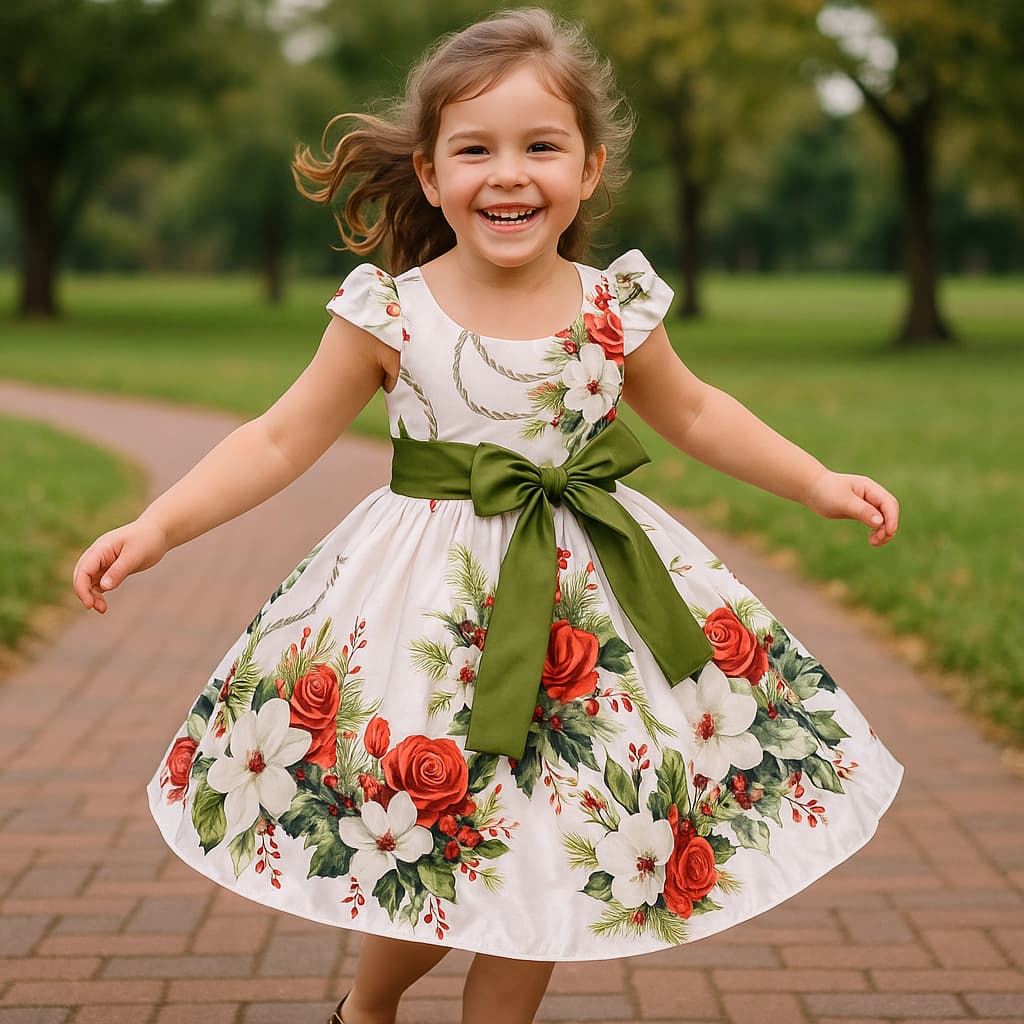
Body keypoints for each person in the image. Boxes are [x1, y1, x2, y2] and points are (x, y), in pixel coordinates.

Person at [73, 8, 903, 1024]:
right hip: (429, 623)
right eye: (476, 150)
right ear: (430, 176)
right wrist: (155, 528)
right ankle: (366, 1009)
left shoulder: (614, 307)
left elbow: (693, 411)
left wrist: (815, 480)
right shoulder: (391, 311)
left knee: (550, 852)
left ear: (588, 170)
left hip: (587, 616)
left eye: (540, 147)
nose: (509, 174)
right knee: (428, 834)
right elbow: (279, 438)